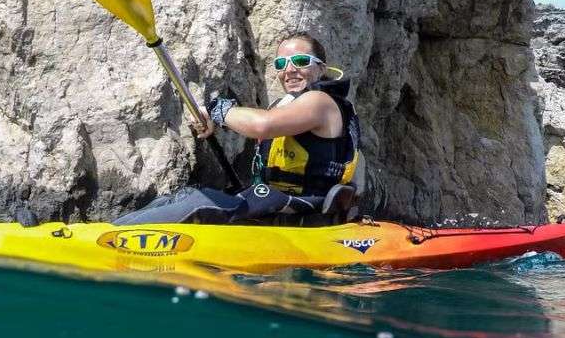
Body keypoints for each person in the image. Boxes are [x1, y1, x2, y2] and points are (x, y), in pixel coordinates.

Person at [113, 33, 382, 226]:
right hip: (276, 207)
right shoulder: (286, 106)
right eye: (281, 64)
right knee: (180, 197)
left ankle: (113, 239)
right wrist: (216, 122)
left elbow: (261, 125)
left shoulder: (320, 102)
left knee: (198, 202)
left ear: (321, 68)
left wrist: (218, 110)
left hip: (305, 211)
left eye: (300, 61)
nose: (289, 70)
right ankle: (110, 230)